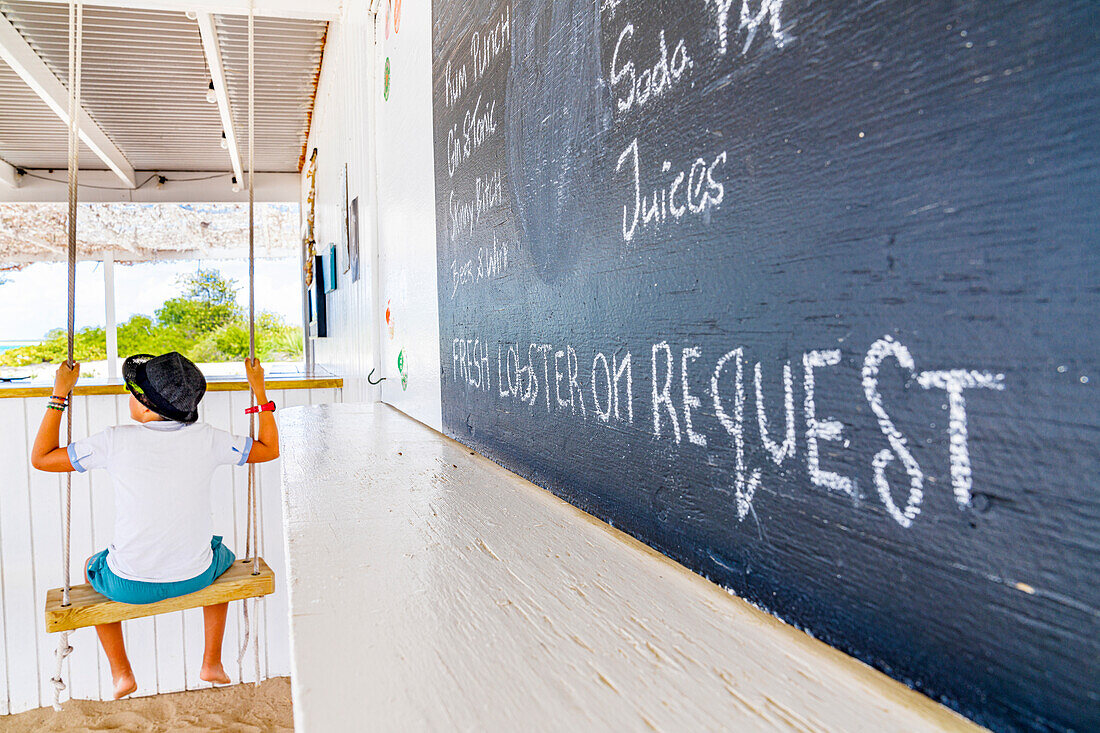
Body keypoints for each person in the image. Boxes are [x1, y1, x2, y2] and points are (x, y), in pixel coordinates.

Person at [30, 352, 279, 699]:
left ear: (146, 409)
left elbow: (41, 458)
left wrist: (60, 394)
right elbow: (269, 449)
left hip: (128, 586)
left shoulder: (114, 440)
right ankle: (211, 661)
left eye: (132, 393)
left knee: (92, 568)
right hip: (197, 577)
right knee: (220, 554)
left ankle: (122, 674)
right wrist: (259, 388)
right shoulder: (208, 437)